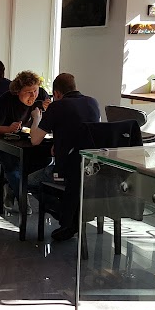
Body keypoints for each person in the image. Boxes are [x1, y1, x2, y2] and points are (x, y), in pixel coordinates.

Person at [28, 73, 100, 241]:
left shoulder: (57, 106)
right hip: (91, 170)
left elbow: (35, 140)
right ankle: (72, 211)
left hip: (66, 171)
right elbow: (91, 133)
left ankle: (67, 215)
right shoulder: (93, 102)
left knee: (29, 181)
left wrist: (36, 118)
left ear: (57, 93)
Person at [0, 71, 50, 210]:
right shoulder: (7, 100)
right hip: (6, 144)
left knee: (46, 160)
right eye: (28, 92)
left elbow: (47, 122)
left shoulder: (41, 95)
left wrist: (49, 110)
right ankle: (22, 200)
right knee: (13, 166)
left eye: (35, 90)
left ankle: (11, 187)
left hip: (28, 143)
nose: (33, 95)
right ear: (17, 92)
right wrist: (7, 128)